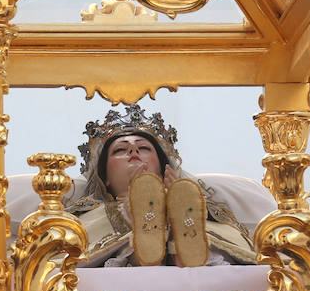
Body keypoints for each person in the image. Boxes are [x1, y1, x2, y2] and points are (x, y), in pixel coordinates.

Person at [68, 104, 257, 267]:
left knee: (207, 236)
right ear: (105, 178)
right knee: (115, 247)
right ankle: (148, 246)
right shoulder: (91, 216)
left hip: (185, 219)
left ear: (162, 166)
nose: (133, 150)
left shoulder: (201, 207)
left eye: (143, 148)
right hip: (124, 233)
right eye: (120, 150)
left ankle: (177, 229)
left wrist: (178, 197)